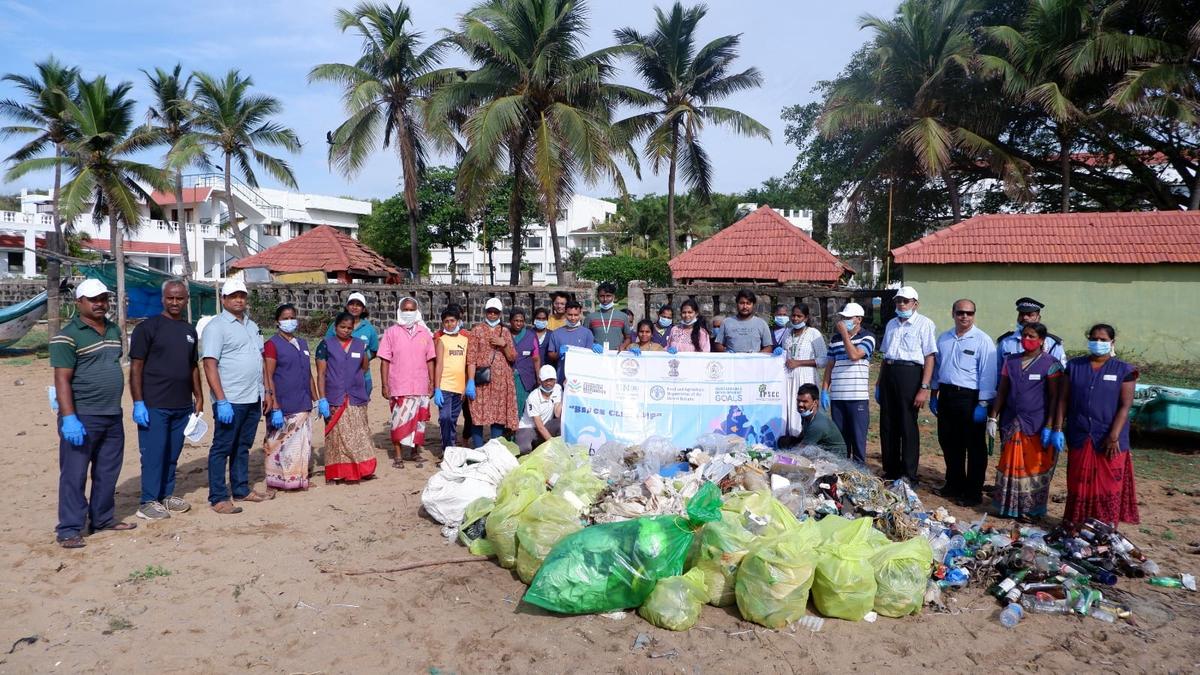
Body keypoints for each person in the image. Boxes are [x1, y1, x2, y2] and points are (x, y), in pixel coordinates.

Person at [50, 279, 137, 547]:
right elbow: (62, 380)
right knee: (74, 474)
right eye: (93, 299)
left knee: (108, 471)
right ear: (79, 303)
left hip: (112, 414)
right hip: (83, 416)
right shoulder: (67, 336)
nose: (100, 303)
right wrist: (69, 418)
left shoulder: (112, 330)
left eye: (103, 298)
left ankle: (102, 518)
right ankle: (69, 528)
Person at [129, 278, 203, 520]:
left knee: (172, 453)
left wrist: (199, 396)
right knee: (153, 454)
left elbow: (193, 366)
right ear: (162, 299)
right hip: (154, 405)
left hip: (181, 406)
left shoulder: (189, 331)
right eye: (170, 297)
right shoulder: (147, 328)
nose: (174, 302)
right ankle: (148, 501)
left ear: (186, 300)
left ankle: (166, 495)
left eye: (179, 298)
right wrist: (138, 401)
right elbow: (136, 367)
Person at [1057, 323, 1139, 528]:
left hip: (1110, 438)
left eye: (1103, 340)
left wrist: (1113, 436)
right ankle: (1076, 524)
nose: (1098, 343)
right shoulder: (1074, 366)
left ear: (1112, 342)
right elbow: (1063, 400)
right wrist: (1057, 428)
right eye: (1094, 338)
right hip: (1080, 434)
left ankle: (1104, 527)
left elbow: (1125, 406)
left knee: (1107, 484)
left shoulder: (1124, 370)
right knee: (1077, 482)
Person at [202, 278, 271, 514]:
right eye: (233, 296)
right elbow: (210, 364)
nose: (238, 300)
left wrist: (267, 391)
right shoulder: (216, 327)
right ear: (223, 299)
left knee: (243, 445)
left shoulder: (253, 325)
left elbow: (260, 360)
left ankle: (241, 488)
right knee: (222, 447)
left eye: (241, 295)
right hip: (230, 398)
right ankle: (219, 496)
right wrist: (221, 400)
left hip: (253, 396)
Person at [988, 322, 1062, 520]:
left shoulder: (1051, 363)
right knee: (1009, 464)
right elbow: (1002, 390)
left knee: (1033, 465)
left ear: (1041, 340)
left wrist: (1051, 426)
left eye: (1032, 336)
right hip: (1011, 421)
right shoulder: (1010, 361)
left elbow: (1055, 397)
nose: (1027, 340)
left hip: (1036, 423)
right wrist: (993, 416)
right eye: (1025, 336)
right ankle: (1007, 506)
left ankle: (1030, 509)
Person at [930, 299, 998, 506]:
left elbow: (988, 373)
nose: (965, 317)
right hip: (947, 396)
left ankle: (973, 492)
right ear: (953, 313)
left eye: (969, 313)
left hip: (970, 398)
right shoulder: (944, 339)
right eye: (960, 313)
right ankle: (954, 484)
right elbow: (937, 369)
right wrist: (934, 394)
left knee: (974, 447)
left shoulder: (982, 340)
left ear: (974, 315)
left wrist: (983, 404)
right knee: (949, 443)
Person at [878, 286, 937, 485]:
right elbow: (886, 356)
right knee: (888, 423)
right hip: (890, 372)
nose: (901, 304)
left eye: (905, 301)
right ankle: (891, 469)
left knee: (907, 423)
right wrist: (879, 383)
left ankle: (909, 473)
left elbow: (929, 356)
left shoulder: (924, 324)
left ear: (915, 303)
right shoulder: (891, 324)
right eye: (898, 301)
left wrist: (924, 387)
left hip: (910, 373)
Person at [263, 303, 321, 491]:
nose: (289, 321)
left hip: (303, 402)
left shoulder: (302, 344)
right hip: (284, 403)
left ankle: (300, 477)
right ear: (277, 322)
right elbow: (268, 375)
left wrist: (318, 399)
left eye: (292, 317)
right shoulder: (272, 345)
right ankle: (279, 480)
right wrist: (276, 405)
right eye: (285, 318)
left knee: (302, 444)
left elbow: (309, 374)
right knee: (280, 444)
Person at [317, 311, 378, 482]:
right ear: (335, 327)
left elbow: (364, 367)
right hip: (334, 397)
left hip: (356, 397)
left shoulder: (360, 345)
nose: (345, 330)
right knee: (338, 437)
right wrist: (322, 398)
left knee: (360, 434)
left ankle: (363, 470)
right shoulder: (325, 345)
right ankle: (340, 472)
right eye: (342, 327)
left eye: (349, 328)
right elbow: (321, 374)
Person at [378, 296, 436, 467]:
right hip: (399, 386)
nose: (408, 312)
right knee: (398, 421)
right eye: (405, 309)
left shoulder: (424, 333)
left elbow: (430, 360)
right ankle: (398, 455)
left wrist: (432, 382)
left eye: (412, 309)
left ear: (417, 311)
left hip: (420, 384)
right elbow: (384, 361)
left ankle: (414, 452)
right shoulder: (391, 333)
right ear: (399, 310)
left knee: (419, 421)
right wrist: (384, 384)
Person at [822, 302, 875, 463]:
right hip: (838, 397)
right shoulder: (835, 340)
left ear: (858, 319)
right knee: (841, 441)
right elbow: (830, 365)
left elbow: (854, 355)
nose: (844, 320)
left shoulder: (867, 337)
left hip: (857, 397)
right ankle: (842, 474)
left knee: (858, 439)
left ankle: (860, 473)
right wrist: (825, 389)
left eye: (848, 317)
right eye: (843, 317)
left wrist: (845, 334)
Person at [467, 298, 518, 446]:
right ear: (485, 312)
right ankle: (478, 448)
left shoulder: (505, 332)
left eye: (496, 312)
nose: (492, 315)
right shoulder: (476, 331)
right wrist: (470, 381)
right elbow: (471, 358)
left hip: (501, 382)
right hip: (481, 380)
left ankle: (494, 448)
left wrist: (504, 345)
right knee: (478, 414)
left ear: (500, 314)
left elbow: (512, 357)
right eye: (490, 312)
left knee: (498, 414)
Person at [778, 303, 827, 441]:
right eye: (793, 315)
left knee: (805, 408)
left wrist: (799, 362)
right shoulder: (787, 334)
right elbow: (784, 356)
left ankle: (806, 440)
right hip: (789, 378)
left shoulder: (813, 333)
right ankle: (792, 440)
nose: (795, 319)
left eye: (799, 316)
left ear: (806, 318)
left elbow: (823, 360)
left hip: (806, 377)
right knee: (791, 409)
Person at [325, 291, 380, 395]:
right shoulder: (335, 325)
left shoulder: (369, 328)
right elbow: (327, 346)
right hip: (338, 377)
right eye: (352, 304)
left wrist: (361, 358)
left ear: (363, 309)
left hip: (362, 377)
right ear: (347, 306)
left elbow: (374, 350)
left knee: (359, 409)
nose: (354, 307)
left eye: (358, 305)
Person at [996, 297, 1066, 378]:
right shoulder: (1005, 342)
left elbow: (1061, 371)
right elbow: (998, 371)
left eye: (1030, 314)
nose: (1025, 317)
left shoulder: (1052, 343)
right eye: (1021, 314)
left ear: (1038, 318)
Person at [433, 306, 471, 452]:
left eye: (452, 321)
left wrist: (466, 385)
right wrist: (437, 388)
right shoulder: (441, 341)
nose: (450, 324)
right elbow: (439, 365)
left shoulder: (465, 340)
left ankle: (451, 448)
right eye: (446, 321)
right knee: (445, 418)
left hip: (460, 387)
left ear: (458, 321)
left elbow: (467, 365)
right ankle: (446, 448)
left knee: (453, 419)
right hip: (445, 386)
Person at [516, 365, 563, 453]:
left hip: (545, 426)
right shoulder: (533, 397)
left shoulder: (558, 389)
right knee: (524, 448)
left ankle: (541, 446)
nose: (549, 383)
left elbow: (557, 414)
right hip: (529, 428)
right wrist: (554, 445)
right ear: (540, 381)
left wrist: (567, 391)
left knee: (560, 424)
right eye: (546, 380)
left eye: (551, 380)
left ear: (555, 380)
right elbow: (539, 426)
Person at [547, 301, 594, 380]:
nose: (573, 318)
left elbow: (590, 357)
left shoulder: (587, 333)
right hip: (561, 376)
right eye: (570, 315)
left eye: (576, 315)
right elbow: (550, 354)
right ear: (565, 314)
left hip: (582, 376)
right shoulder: (556, 333)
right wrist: (558, 354)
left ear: (580, 314)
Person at [720, 290, 777, 354]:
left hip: (754, 362)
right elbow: (718, 344)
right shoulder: (726, 322)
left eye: (748, 303)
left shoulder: (762, 324)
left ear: (753, 305)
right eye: (741, 303)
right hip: (732, 362)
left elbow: (768, 347)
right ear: (737, 304)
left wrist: (756, 356)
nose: (745, 307)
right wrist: (726, 352)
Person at [796, 383, 847, 455]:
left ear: (815, 403)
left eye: (805, 401)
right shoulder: (805, 415)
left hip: (836, 460)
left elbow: (799, 450)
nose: (800, 404)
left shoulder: (817, 424)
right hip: (823, 453)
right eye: (798, 401)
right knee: (784, 441)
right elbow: (804, 435)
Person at [509, 308, 541, 420]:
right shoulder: (505, 334)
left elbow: (536, 358)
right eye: (516, 320)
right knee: (509, 407)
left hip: (525, 379)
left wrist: (538, 377)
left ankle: (520, 433)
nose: (519, 323)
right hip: (508, 378)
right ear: (510, 321)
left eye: (521, 321)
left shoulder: (530, 335)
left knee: (523, 407)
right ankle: (508, 435)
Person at [586, 282, 632, 352]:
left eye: (608, 296)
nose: (605, 299)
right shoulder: (590, 317)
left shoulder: (623, 316)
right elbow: (584, 337)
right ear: (597, 297)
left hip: (616, 355)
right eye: (602, 296)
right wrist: (592, 345)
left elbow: (628, 338)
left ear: (613, 297)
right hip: (596, 355)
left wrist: (623, 345)